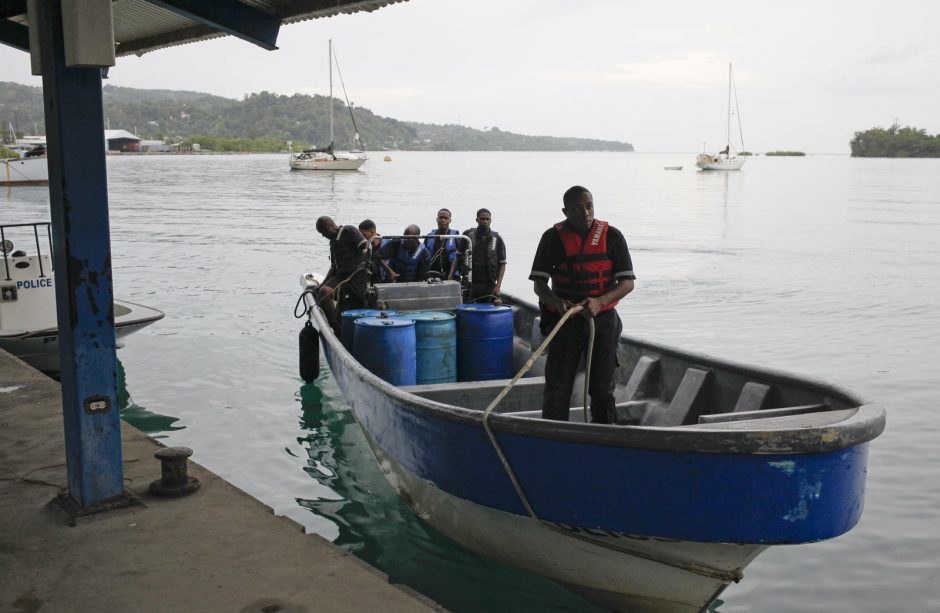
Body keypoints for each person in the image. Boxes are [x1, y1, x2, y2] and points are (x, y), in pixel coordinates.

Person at [529, 186, 635, 424]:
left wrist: (601, 301)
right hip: (564, 321)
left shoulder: (612, 236)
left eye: (589, 206)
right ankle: (553, 437)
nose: (585, 213)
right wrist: (556, 302)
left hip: (603, 321)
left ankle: (606, 437)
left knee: (602, 390)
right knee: (558, 389)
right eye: (577, 208)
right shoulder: (552, 238)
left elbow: (627, 283)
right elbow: (539, 285)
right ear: (565, 211)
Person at [315, 215, 370, 335]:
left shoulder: (348, 231)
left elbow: (365, 247)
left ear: (327, 227)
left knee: (358, 301)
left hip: (357, 275)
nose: (323, 236)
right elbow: (334, 267)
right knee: (323, 292)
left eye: (322, 232)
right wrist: (321, 286)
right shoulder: (333, 242)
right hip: (341, 277)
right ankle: (336, 328)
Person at [452, 208, 506, 303]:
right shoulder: (467, 235)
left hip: (489, 284)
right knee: (468, 309)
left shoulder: (497, 239)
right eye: (482, 219)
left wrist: (498, 286)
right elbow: (458, 256)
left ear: (490, 220)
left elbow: (502, 263)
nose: (484, 221)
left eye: (487, 219)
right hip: (469, 283)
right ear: (477, 220)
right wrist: (450, 276)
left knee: (487, 310)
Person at [425, 208, 460, 280]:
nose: (443, 220)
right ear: (437, 219)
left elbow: (461, 256)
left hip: (451, 276)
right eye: (441, 218)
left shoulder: (456, 237)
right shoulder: (429, 236)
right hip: (432, 275)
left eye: (446, 218)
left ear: (449, 220)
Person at [359, 219, 389, 283]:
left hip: (385, 278)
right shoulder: (362, 247)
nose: (362, 238)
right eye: (360, 235)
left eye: (364, 235)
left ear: (372, 232)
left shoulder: (387, 244)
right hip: (370, 279)